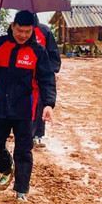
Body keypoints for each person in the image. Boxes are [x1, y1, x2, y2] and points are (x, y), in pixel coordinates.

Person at [0, 10, 56, 203]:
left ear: (33, 30)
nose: (23, 35)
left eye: (28, 31)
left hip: (25, 109)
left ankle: (21, 192)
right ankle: (6, 167)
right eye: (20, 30)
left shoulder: (38, 51)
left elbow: (47, 80)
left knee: (23, 151)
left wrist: (48, 104)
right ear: (12, 26)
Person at [31, 14, 61, 147]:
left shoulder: (45, 31)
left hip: (42, 73)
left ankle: (37, 135)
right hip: (25, 72)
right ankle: (24, 133)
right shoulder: (17, 30)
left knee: (40, 104)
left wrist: (53, 71)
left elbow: (53, 53)